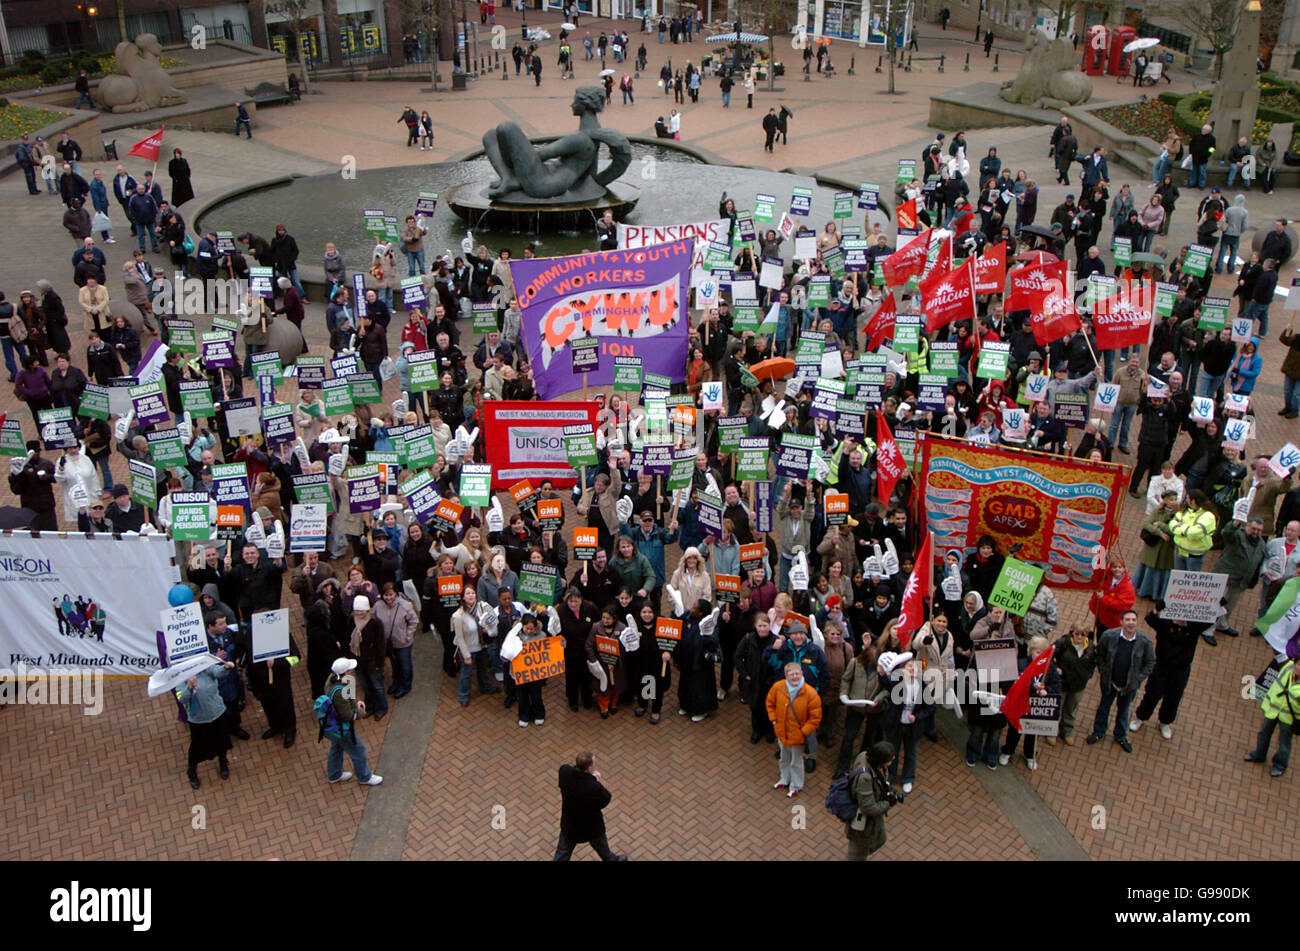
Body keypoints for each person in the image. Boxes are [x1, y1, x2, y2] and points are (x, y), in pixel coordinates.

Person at [1087, 610, 1155, 752]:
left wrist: (1138, 678)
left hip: (1129, 686)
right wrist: (1104, 672)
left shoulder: (1144, 642)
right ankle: (1099, 732)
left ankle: (1120, 735)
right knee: (1103, 708)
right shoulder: (1108, 636)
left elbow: (1150, 663)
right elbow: (1099, 655)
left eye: (1133, 620)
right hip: (1109, 683)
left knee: (1123, 710)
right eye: (1128, 620)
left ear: (1137, 622)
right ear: (1121, 621)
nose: (1131, 623)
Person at [320, 658, 384, 786]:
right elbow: (347, 715)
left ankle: (334, 774)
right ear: (345, 672)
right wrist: (361, 711)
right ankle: (364, 777)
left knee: (337, 747)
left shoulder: (332, 679)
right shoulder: (339, 692)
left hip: (333, 727)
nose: (352, 671)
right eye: (349, 670)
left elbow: (350, 692)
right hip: (342, 728)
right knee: (359, 751)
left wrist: (356, 700)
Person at [554, 751, 626, 861]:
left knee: (562, 853)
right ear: (589, 768)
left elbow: (574, 775)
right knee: (602, 848)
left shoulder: (565, 772)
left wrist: (589, 777)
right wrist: (594, 780)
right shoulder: (592, 787)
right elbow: (606, 798)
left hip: (570, 824)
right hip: (591, 827)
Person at [766, 661, 823, 799]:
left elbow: (815, 718)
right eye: (791, 674)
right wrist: (774, 720)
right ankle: (784, 779)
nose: (795, 677)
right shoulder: (778, 687)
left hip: (798, 737)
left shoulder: (810, 693)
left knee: (796, 762)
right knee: (783, 758)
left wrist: (803, 732)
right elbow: (770, 703)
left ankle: (796, 785)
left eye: (797, 673)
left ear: (802, 674)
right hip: (782, 733)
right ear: (786, 676)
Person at [178, 658, 237, 788]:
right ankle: (192, 772)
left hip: (217, 712)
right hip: (198, 719)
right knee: (197, 747)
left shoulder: (206, 666)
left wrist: (226, 668)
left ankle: (223, 762)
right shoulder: (181, 677)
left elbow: (218, 671)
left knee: (222, 740)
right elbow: (182, 699)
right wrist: (189, 687)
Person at [1244, 655, 1300, 777]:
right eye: (1298, 665)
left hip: (1288, 718)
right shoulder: (1287, 667)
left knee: (1284, 742)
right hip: (1273, 709)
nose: (1298, 668)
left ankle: (1280, 765)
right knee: (1264, 732)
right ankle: (1259, 755)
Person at [845, 741, 897, 861]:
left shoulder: (865, 755)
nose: (894, 757)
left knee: (878, 839)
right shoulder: (865, 778)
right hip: (862, 821)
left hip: (871, 817)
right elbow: (868, 807)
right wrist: (888, 803)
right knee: (858, 853)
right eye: (890, 757)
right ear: (880, 761)